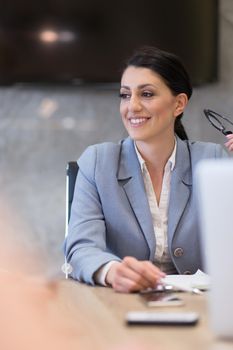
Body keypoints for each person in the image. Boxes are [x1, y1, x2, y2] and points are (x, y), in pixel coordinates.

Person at [64, 46, 230, 293]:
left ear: (179, 104)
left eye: (147, 94)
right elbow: (80, 246)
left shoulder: (212, 160)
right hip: (120, 302)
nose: (132, 106)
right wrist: (110, 271)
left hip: (200, 304)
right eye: (125, 95)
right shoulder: (98, 161)